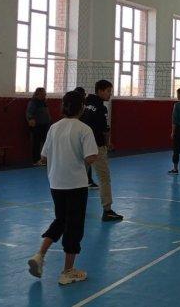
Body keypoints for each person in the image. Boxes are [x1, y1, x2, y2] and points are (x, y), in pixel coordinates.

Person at [27, 91, 98, 285]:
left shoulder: (54, 128)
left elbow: (44, 156)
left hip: (56, 183)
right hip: (76, 184)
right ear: (82, 108)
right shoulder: (84, 129)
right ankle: (68, 271)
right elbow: (91, 157)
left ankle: (39, 255)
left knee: (60, 220)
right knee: (74, 226)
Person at [80, 80, 123, 221]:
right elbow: (104, 130)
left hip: (82, 145)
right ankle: (107, 210)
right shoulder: (101, 108)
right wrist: (107, 143)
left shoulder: (85, 104)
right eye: (108, 91)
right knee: (104, 178)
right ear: (100, 91)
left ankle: (75, 207)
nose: (110, 94)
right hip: (96, 146)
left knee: (79, 177)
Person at [74, 86, 98, 190]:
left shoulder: (83, 106)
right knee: (86, 157)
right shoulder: (83, 106)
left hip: (78, 134)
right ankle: (87, 180)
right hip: (82, 134)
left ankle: (87, 180)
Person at [26, 88, 51, 166]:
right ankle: (36, 160)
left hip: (45, 125)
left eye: (45, 94)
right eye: (43, 94)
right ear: (38, 94)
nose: (45, 95)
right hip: (37, 126)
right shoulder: (33, 102)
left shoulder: (44, 102)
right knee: (36, 143)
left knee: (45, 143)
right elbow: (29, 113)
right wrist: (31, 119)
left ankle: (43, 159)